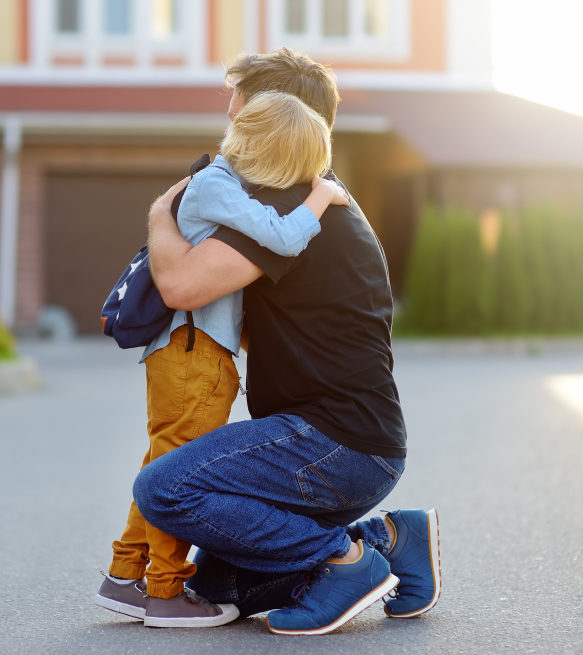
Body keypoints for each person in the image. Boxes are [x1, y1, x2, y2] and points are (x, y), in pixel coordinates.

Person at [130, 48, 442, 636]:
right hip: (349, 446)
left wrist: (160, 212)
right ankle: (392, 539)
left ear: (273, 112)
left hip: (331, 443)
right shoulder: (311, 196)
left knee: (164, 489)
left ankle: (344, 561)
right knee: (221, 585)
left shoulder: (285, 201)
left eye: (238, 100)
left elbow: (180, 284)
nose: (229, 113)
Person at [96, 89, 350, 628]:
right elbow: (283, 237)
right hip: (194, 354)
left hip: (191, 352)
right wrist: (321, 198)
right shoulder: (218, 185)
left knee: (161, 463)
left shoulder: (217, 184)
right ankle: (163, 590)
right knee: (176, 476)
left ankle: (124, 576)